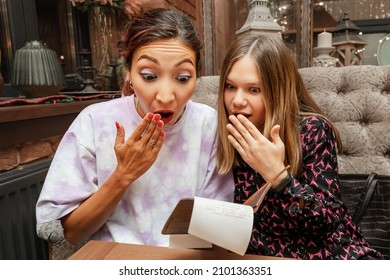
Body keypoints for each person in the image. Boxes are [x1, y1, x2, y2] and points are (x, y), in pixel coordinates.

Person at [36, 8, 233, 258]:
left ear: (196, 76)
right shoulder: (95, 121)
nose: (165, 96)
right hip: (115, 258)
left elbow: (217, 226)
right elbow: (72, 232)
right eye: (149, 76)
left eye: (182, 78)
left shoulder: (209, 124)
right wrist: (123, 175)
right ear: (129, 73)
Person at [216, 34, 383, 260]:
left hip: (332, 259)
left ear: (277, 90)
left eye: (253, 89)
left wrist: (279, 177)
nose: (237, 100)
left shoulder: (312, 130)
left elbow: (329, 222)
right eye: (230, 86)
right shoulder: (227, 137)